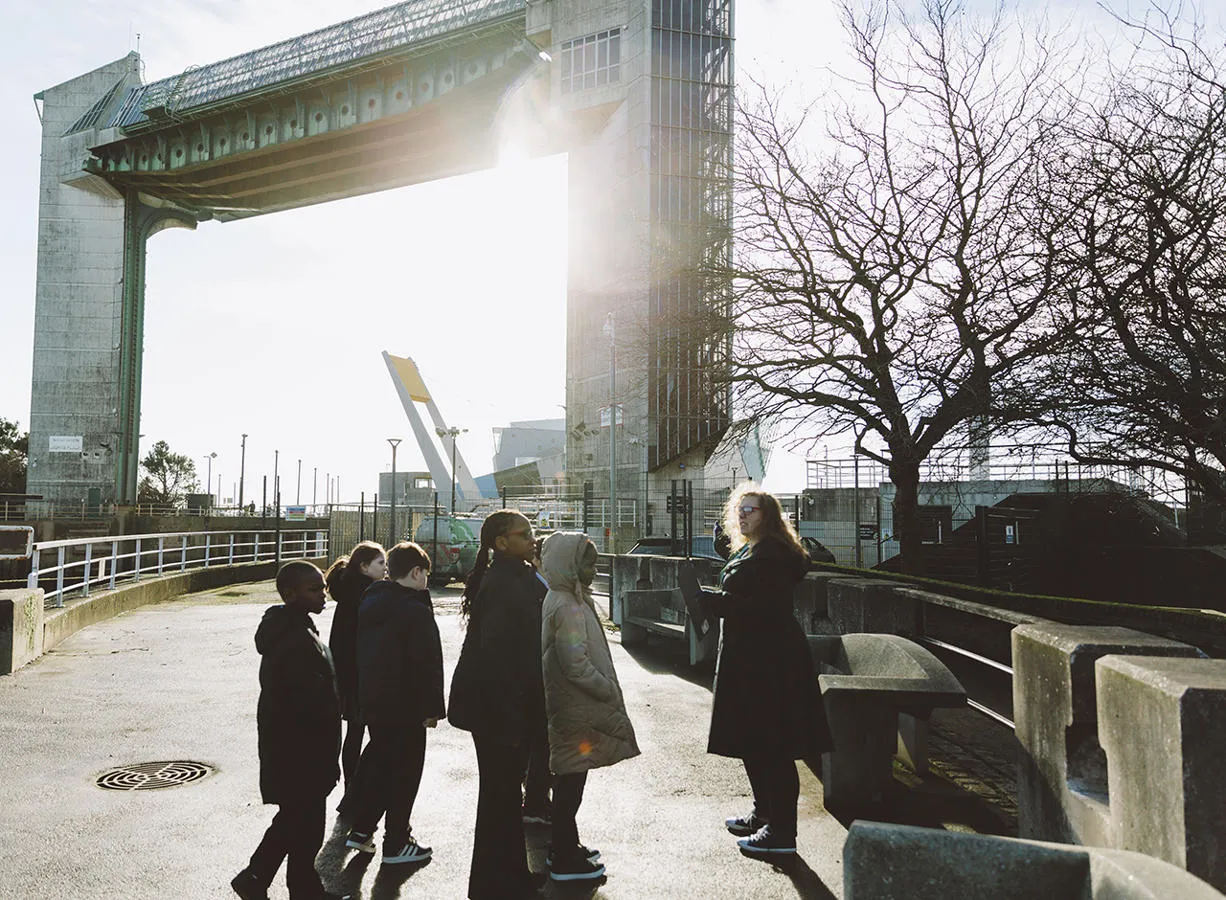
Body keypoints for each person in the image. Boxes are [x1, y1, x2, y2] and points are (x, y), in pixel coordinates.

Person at [680, 486, 833, 858]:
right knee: (754, 741)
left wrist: (716, 602)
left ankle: (782, 833)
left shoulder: (773, 554)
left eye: (751, 510)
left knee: (772, 745)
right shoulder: (753, 549)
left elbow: (767, 607)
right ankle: (765, 814)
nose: (743, 515)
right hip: (750, 657)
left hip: (769, 661)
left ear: (768, 515)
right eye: (739, 510)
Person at [231, 561, 351, 900]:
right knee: (301, 821)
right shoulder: (293, 639)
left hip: (301, 751)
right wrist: (323, 756)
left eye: (323, 587)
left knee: (301, 822)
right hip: (300, 753)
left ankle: (279, 882)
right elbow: (303, 706)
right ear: (290, 594)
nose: (323, 594)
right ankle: (265, 879)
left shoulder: (297, 628)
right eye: (315, 589)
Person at [447, 510, 548, 900]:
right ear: (501, 542)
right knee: (498, 797)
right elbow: (499, 658)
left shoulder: (515, 575)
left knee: (503, 798)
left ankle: (510, 878)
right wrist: (509, 719)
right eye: (524, 535)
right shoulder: (505, 583)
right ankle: (493, 885)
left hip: (502, 707)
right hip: (497, 709)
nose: (531, 539)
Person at [539, 532, 640, 882]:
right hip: (576, 707)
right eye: (589, 563)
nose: (595, 570)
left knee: (571, 779)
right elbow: (575, 664)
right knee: (570, 784)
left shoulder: (566, 596)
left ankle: (566, 845)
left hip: (572, 706)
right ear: (570, 564)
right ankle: (564, 857)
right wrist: (608, 689)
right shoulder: (566, 604)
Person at [342, 541, 443, 866]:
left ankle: (362, 828)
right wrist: (432, 709)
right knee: (406, 774)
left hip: (376, 702)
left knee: (381, 767)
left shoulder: (372, 601)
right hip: (408, 707)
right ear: (416, 572)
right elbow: (427, 663)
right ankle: (397, 841)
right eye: (425, 574)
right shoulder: (414, 610)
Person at [324, 541, 387, 799]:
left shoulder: (349, 593)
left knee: (354, 734)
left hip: (347, 676)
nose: (386, 568)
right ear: (364, 567)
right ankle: (365, 792)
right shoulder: (368, 596)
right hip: (364, 676)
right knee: (379, 737)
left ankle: (352, 790)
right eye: (381, 563)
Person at [521, 536, 553, 827]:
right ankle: (534, 802)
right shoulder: (534, 590)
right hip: (534, 681)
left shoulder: (542, 587)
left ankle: (535, 799)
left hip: (535, 680)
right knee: (540, 743)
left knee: (539, 743)